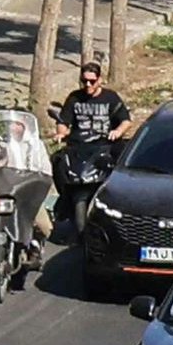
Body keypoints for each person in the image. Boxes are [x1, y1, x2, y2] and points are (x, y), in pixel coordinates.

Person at [52, 62, 133, 234]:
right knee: (58, 161)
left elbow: (126, 120)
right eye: (84, 81)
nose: (88, 85)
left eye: (92, 81)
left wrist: (117, 132)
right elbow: (63, 121)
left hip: (103, 147)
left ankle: (116, 207)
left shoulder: (111, 98)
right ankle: (65, 199)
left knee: (121, 166)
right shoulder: (74, 98)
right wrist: (61, 133)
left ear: (100, 80)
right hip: (78, 147)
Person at [0, 112, 52, 273]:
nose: (12, 127)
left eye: (16, 124)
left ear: (24, 125)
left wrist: (36, 181)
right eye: (10, 124)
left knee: (44, 225)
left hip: (26, 192)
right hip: (3, 190)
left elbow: (45, 170)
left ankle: (35, 246)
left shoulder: (35, 145)